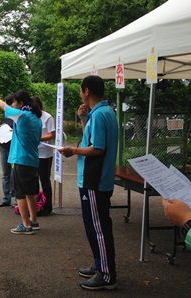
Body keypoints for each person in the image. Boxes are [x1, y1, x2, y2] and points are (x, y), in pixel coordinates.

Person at [59, 75, 118, 290]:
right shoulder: (102, 113)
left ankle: (107, 274)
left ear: (86, 91)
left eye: (81, 90)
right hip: (94, 179)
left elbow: (97, 148)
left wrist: (72, 150)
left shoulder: (101, 114)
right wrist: (84, 120)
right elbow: (92, 140)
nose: (80, 94)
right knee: (95, 226)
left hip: (95, 180)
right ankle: (99, 264)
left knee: (99, 228)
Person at [0, 90, 42, 234]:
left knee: (20, 194)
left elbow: (5, 107)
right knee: (30, 193)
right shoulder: (36, 118)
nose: (13, 105)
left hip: (21, 160)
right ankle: (34, 221)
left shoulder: (22, 116)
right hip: (33, 160)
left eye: (15, 102)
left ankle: (25, 225)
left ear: (21, 103)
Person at [32, 96, 55, 216]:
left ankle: (48, 206)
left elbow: (52, 134)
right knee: (34, 180)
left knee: (44, 179)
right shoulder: (31, 117)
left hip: (45, 153)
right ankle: (36, 204)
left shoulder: (47, 117)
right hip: (33, 152)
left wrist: (39, 138)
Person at [0, 94, 15, 207]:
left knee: (15, 175)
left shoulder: (19, 115)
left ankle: (18, 200)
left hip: (14, 148)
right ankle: (6, 198)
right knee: (6, 174)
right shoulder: (7, 115)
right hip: (3, 147)